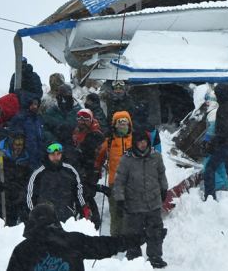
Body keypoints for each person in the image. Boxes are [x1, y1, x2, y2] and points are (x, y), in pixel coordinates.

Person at [7, 203, 145, 271]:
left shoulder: (22, 250)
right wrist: (136, 239)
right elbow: (106, 245)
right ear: (55, 221)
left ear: (31, 225)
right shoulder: (72, 241)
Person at [113, 130, 169, 268]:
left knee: (155, 231)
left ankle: (155, 256)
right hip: (133, 204)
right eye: (139, 142)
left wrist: (164, 189)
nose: (142, 144)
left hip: (153, 202)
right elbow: (119, 181)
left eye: (145, 141)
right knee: (132, 233)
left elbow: (161, 174)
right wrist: (119, 200)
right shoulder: (127, 159)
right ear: (134, 143)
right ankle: (133, 257)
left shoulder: (156, 156)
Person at [26, 143, 89, 222]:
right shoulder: (38, 174)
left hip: (68, 219)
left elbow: (79, 190)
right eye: (52, 154)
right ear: (47, 155)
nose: (56, 157)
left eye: (58, 154)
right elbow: (30, 197)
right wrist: (35, 215)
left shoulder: (70, 170)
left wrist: (83, 207)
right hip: (45, 220)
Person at [95, 110, 134, 236]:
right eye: (119, 123)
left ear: (129, 124)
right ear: (115, 125)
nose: (122, 125)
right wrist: (96, 169)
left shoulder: (135, 141)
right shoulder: (109, 142)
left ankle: (129, 238)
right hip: (114, 182)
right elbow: (99, 157)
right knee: (116, 211)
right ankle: (116, 239)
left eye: (125, 122)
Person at [203, 83, 228, 201]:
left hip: (224, 145)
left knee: (209, 169)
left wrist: (213, 144)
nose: (217, 97)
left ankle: (209, 196)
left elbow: (222, 130)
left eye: (218, 94)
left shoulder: (224, 108)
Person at [72, 108, 105, 229]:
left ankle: (93, 222)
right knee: (82, 195)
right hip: (79, 169)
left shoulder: (95, 134)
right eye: (79, 118)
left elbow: (94, 155)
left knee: (86, 195)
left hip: (90, 170)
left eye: (85, 118)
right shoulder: (77, 132)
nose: (82, 121)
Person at [0, 130, 31, 226]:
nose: (19, 146)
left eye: (21, 143)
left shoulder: (25, 158)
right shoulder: (1, 155)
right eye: (17, 143)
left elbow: (26, 180)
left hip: (15, 198)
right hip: (1, 196)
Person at [9, 92, 44, 169]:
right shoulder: (20, 117)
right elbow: (13, 132)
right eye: (33, 104)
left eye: (36, 104)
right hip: (25, 159)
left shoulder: (38, 119)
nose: (35, 106)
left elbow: (41, 137)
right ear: (28, 104)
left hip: (38, 158)